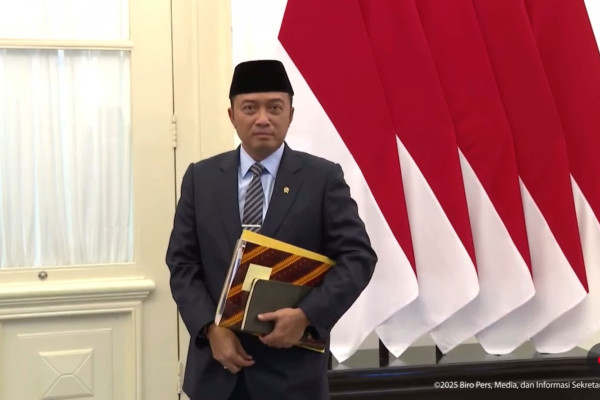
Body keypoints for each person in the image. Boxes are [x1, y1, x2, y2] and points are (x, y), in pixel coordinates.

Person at [166, 59, 377, 400]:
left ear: (290, 114)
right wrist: (209, 329)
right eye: (250, 108)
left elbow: (358, 258)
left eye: (274, 108)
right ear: (232, 115)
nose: (262, 118)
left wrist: (307, 315)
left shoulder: (322, 178)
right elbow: (182, 264)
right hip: (217, 373)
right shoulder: (200, 179)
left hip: (293, 377)